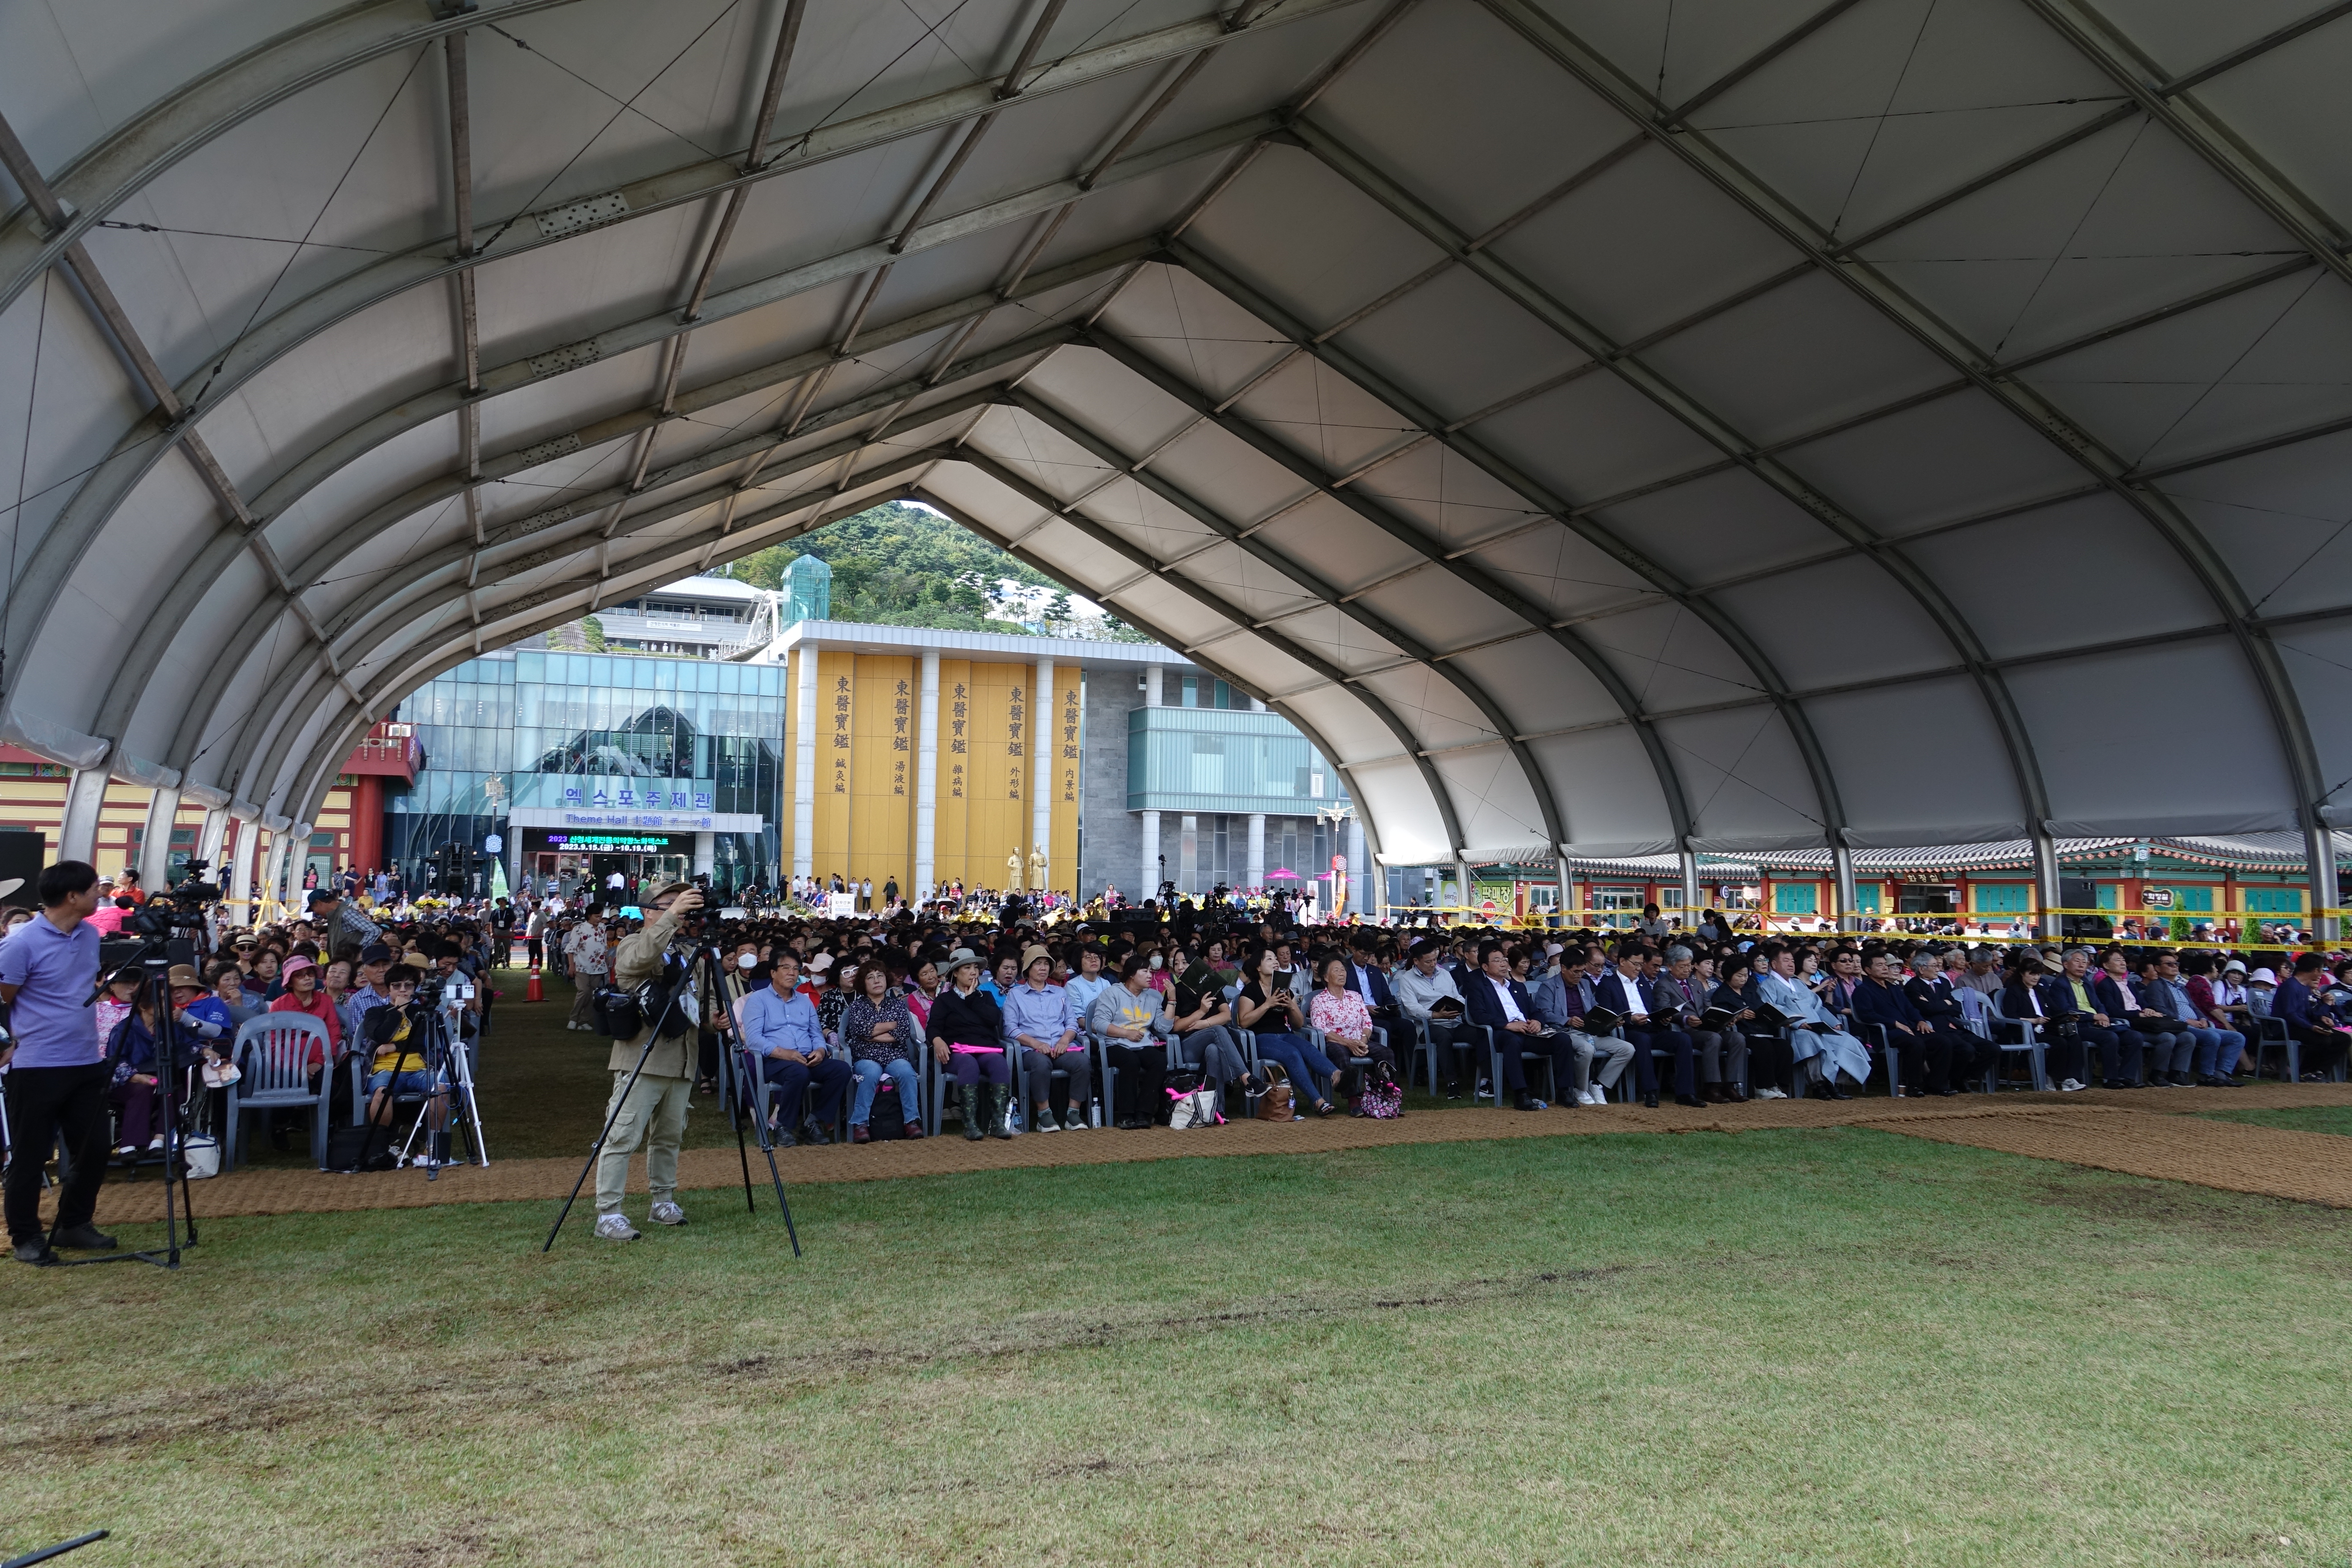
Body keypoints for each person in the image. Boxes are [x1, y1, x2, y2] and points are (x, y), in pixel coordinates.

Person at [1, 861, 114, 1263]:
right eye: (93, 889)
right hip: (36, 1066)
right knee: (31, 1156)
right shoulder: (21, 944)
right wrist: (6, 1042)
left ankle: (72, 1224)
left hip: (86, 1062)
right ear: (72, 897)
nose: (100, 893)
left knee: (96, 1146)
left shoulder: (89, 935)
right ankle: (26, 1237)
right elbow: (2, 998)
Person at [591, 881, 707, 1241]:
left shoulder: (686, 952)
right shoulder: (633, 943)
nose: (679, 909)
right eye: (668, 904)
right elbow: (637, 961)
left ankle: (663, 1200)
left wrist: (716, 1017)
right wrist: (671, 919)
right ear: (648, 912)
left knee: (670, 1135)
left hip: (682, 1057)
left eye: (681, 904)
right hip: (644, 1057)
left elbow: (696, 999)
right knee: (622, 1135)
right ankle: (609, 1212)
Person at [741, 951, 852, 1146]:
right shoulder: (758, 1000)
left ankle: (813, 1122)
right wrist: (785, 1053)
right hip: (775, 1060)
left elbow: (816, 1033)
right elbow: (754, 1040)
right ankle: (782, 1126)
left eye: (796, 969)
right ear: (773, 973)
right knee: (798, 1072)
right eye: (786, 968)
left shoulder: (804, 1000)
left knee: (841, 1070)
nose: (792, 973)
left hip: (806, 1057)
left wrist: (820, 1050)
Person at [1588, 942, 1700, 1108]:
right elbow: (1606, 1016)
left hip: (1651, 1027)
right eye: (1636, 964)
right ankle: (1651, 1091)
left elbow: (1652, 1007)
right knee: (1642, 1040)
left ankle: (1685, 1093)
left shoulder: (1642, 982)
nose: (1639, 968)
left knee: (1683, 1040)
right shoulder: (1608, 984)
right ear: (1622, 961)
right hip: (1627, 1031)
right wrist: (1630, 1019)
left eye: (1641, 965)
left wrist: (1663, 1016)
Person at [360, 963, 452, 1163]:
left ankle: (433, 1143)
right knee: (381, 1094)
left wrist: (395, 1047)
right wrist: (398, 1012)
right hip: (385, 1069)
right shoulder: (375, 1012)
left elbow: (424, 1041)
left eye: (409, 986)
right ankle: (385, 1144)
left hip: (418, 1068)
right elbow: (380, 1035)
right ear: (389, 989)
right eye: (397, 985)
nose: (403, 990)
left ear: (415, 988)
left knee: (442, 1088)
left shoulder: (422, 1011)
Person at [1756, 943, 1868, 1099]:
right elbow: (1772, 1009)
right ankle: (1819, 1085)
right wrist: (1797, 1023)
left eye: (1792, 961)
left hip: (1816, 1025)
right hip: (1794, 1031)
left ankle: (1833, 1082)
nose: (1791, 964)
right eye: (1786, 961)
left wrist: (1832, 1022)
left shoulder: (1798, 983)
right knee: (1810, 1039)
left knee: (1846, 1040)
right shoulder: (1767, 986)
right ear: (1774, 964)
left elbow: (1818, 1005)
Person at [1235, 946, 1333, 1116]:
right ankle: (1318, 1101)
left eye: (1275, 959)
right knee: (1293, 1054)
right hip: (1260, 1038)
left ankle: (1338, 1076)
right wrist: (1268, 1004)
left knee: (1309, 1048)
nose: (1275, 962)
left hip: (1285, 1034)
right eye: (1270, 959)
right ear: (1259, 967)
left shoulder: (1283, 988)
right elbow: (1243, 1022)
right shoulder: (1251, 990)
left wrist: (1291, 1005)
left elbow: (1299, 1024)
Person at [928, 948, 1013, 1140]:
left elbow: (994, 1019)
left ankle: (997, 1123)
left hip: (984, 1048)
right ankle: (970, 1124)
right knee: (969, 1064)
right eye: (967, 968)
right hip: (956, 1052)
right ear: (956, 973)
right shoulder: (944, 1000)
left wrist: (973, 998)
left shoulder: (985, 997)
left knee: (999, 1063)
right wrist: (937, 1040)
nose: (974, 972)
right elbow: (933, 1027)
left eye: (976, 967)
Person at [1004, 947, 1090, 1133]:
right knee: (1041, 1064)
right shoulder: (1016, 995)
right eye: (1038, 964)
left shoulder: (1060, 993)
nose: (1043, 968)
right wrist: (1036, 1044)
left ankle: (1073, 1114)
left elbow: (1072, 1023)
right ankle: (1044, 1116)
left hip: (1061, 1047)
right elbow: (1010, 1028)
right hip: (1031, 1049)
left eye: (1046, 964)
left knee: (1082, 1062)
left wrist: (1065, 1040)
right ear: (1027, 969)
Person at [839, 961, 923, 1143]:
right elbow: (861, 1030)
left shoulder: (898, 1006)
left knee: (907, 1073)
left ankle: (911, 1122)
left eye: (880, 976)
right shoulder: (856, 1007)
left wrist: (872, 1033)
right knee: (871, 1073)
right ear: (863, 983)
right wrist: (890, 1026)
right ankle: (861, 1124)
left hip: (895, 1056)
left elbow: (901, 1033)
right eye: (870, 977)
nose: (877, 980)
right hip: (865, 1057)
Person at [1089, 954, 1170, 1129]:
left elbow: (1163, 1028)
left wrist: (1172, 1000)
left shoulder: (1154, 997)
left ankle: (1144, 1112)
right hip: (1115, 1044)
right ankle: (1126, 1115)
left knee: (1159, 1060)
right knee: (1130, 1061)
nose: (1150, 975)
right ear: (1132, 974)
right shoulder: (1112, 993)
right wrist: (1126, 1034)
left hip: (1142, 1044)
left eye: (1150, 971)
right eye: (1145, 971)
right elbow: (1100, 1024)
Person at [2142, 949, 2245, 1086]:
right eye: (2169, 964)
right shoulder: (2156, 985)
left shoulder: (2181, 987)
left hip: (2196, 1024)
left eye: (2175, 963)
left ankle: (2221, 1074)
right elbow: (2161, 1010)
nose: (2175, 966)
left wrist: (2203, 1019)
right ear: (2157, 968)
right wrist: (2188, 1021)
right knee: (2212, 1038)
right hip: (2179, 1025)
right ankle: (2206, 1075)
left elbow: (2195, 1008)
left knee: (2237, 1038)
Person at [1393, 938, 1476, 1098]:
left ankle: (1486, 1081)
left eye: (1435, 960)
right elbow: (1411, 1007)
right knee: (1443, 1037)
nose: (1433, 964)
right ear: (1416, 961)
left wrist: (1460, 1007)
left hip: (1454, 1021)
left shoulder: (1444, 974)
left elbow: (1457, 996)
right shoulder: (1407, 979)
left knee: (1481, 1035)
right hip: (1429, 1025)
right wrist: (1434, 1015)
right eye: (1428, 961)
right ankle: (1452, 1083)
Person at [1310, 954, 1396, 1109]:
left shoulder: (1355, 997)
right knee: (1342, 1055)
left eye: (1343, 970)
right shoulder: (1319, 1001)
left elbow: (1367, 1022)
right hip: (1335, 1042)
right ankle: (1353, 1100)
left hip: (1359, 1040)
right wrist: (1349, 1044)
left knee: (1386, 1053)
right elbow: (1321, 1029)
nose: (1342, 973)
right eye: (1337, 971)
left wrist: (1363, 1041)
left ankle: (1386, 1096)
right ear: (1326, 977)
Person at [2276, 953, 2352, 1081]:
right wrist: (2311, 1027)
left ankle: (2320, 1072)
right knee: (2323, 1040)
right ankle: (2304, 1072)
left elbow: (2306, 1011)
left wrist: (2322, 1017)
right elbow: (2291, 1014)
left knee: (2343, 1039)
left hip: (2302, 1025)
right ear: (2316, 970)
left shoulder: (2304, 987)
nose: (2322, 973)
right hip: (2286, 1027)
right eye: (2322, 970)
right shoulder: (2290, 986)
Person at [564, 915, 609, 1032]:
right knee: (583, 991)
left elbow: (604, 946)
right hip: (581, 965)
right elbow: (571, 948)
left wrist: (607, 962)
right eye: (597, 916)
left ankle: (584, 1021)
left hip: (598, 966)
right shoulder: (579, 929)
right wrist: (571, 965)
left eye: (601, 915)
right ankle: (574, 1019)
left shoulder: (603, 927)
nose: (599, 918)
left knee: (592, 993)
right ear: (590, 916)